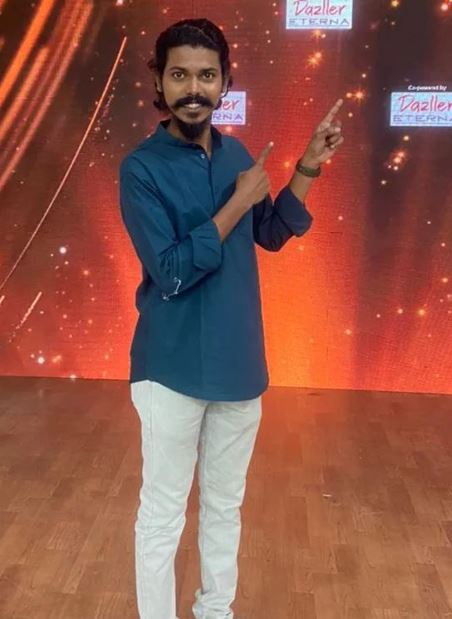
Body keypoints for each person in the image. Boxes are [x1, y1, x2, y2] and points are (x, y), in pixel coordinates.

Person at [119, 17, 344, 619]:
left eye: (206, 75)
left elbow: (269, 232)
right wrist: (238, 200)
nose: (194, 88)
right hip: (168, 369)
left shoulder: (238, 153)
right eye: (180, 75)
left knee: (225, 505)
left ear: (224, 83)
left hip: (239, 365)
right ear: (159, 82)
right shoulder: (140, 168)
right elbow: (170, 271)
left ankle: (215, 611)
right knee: (163, 512)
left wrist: (306, 167)